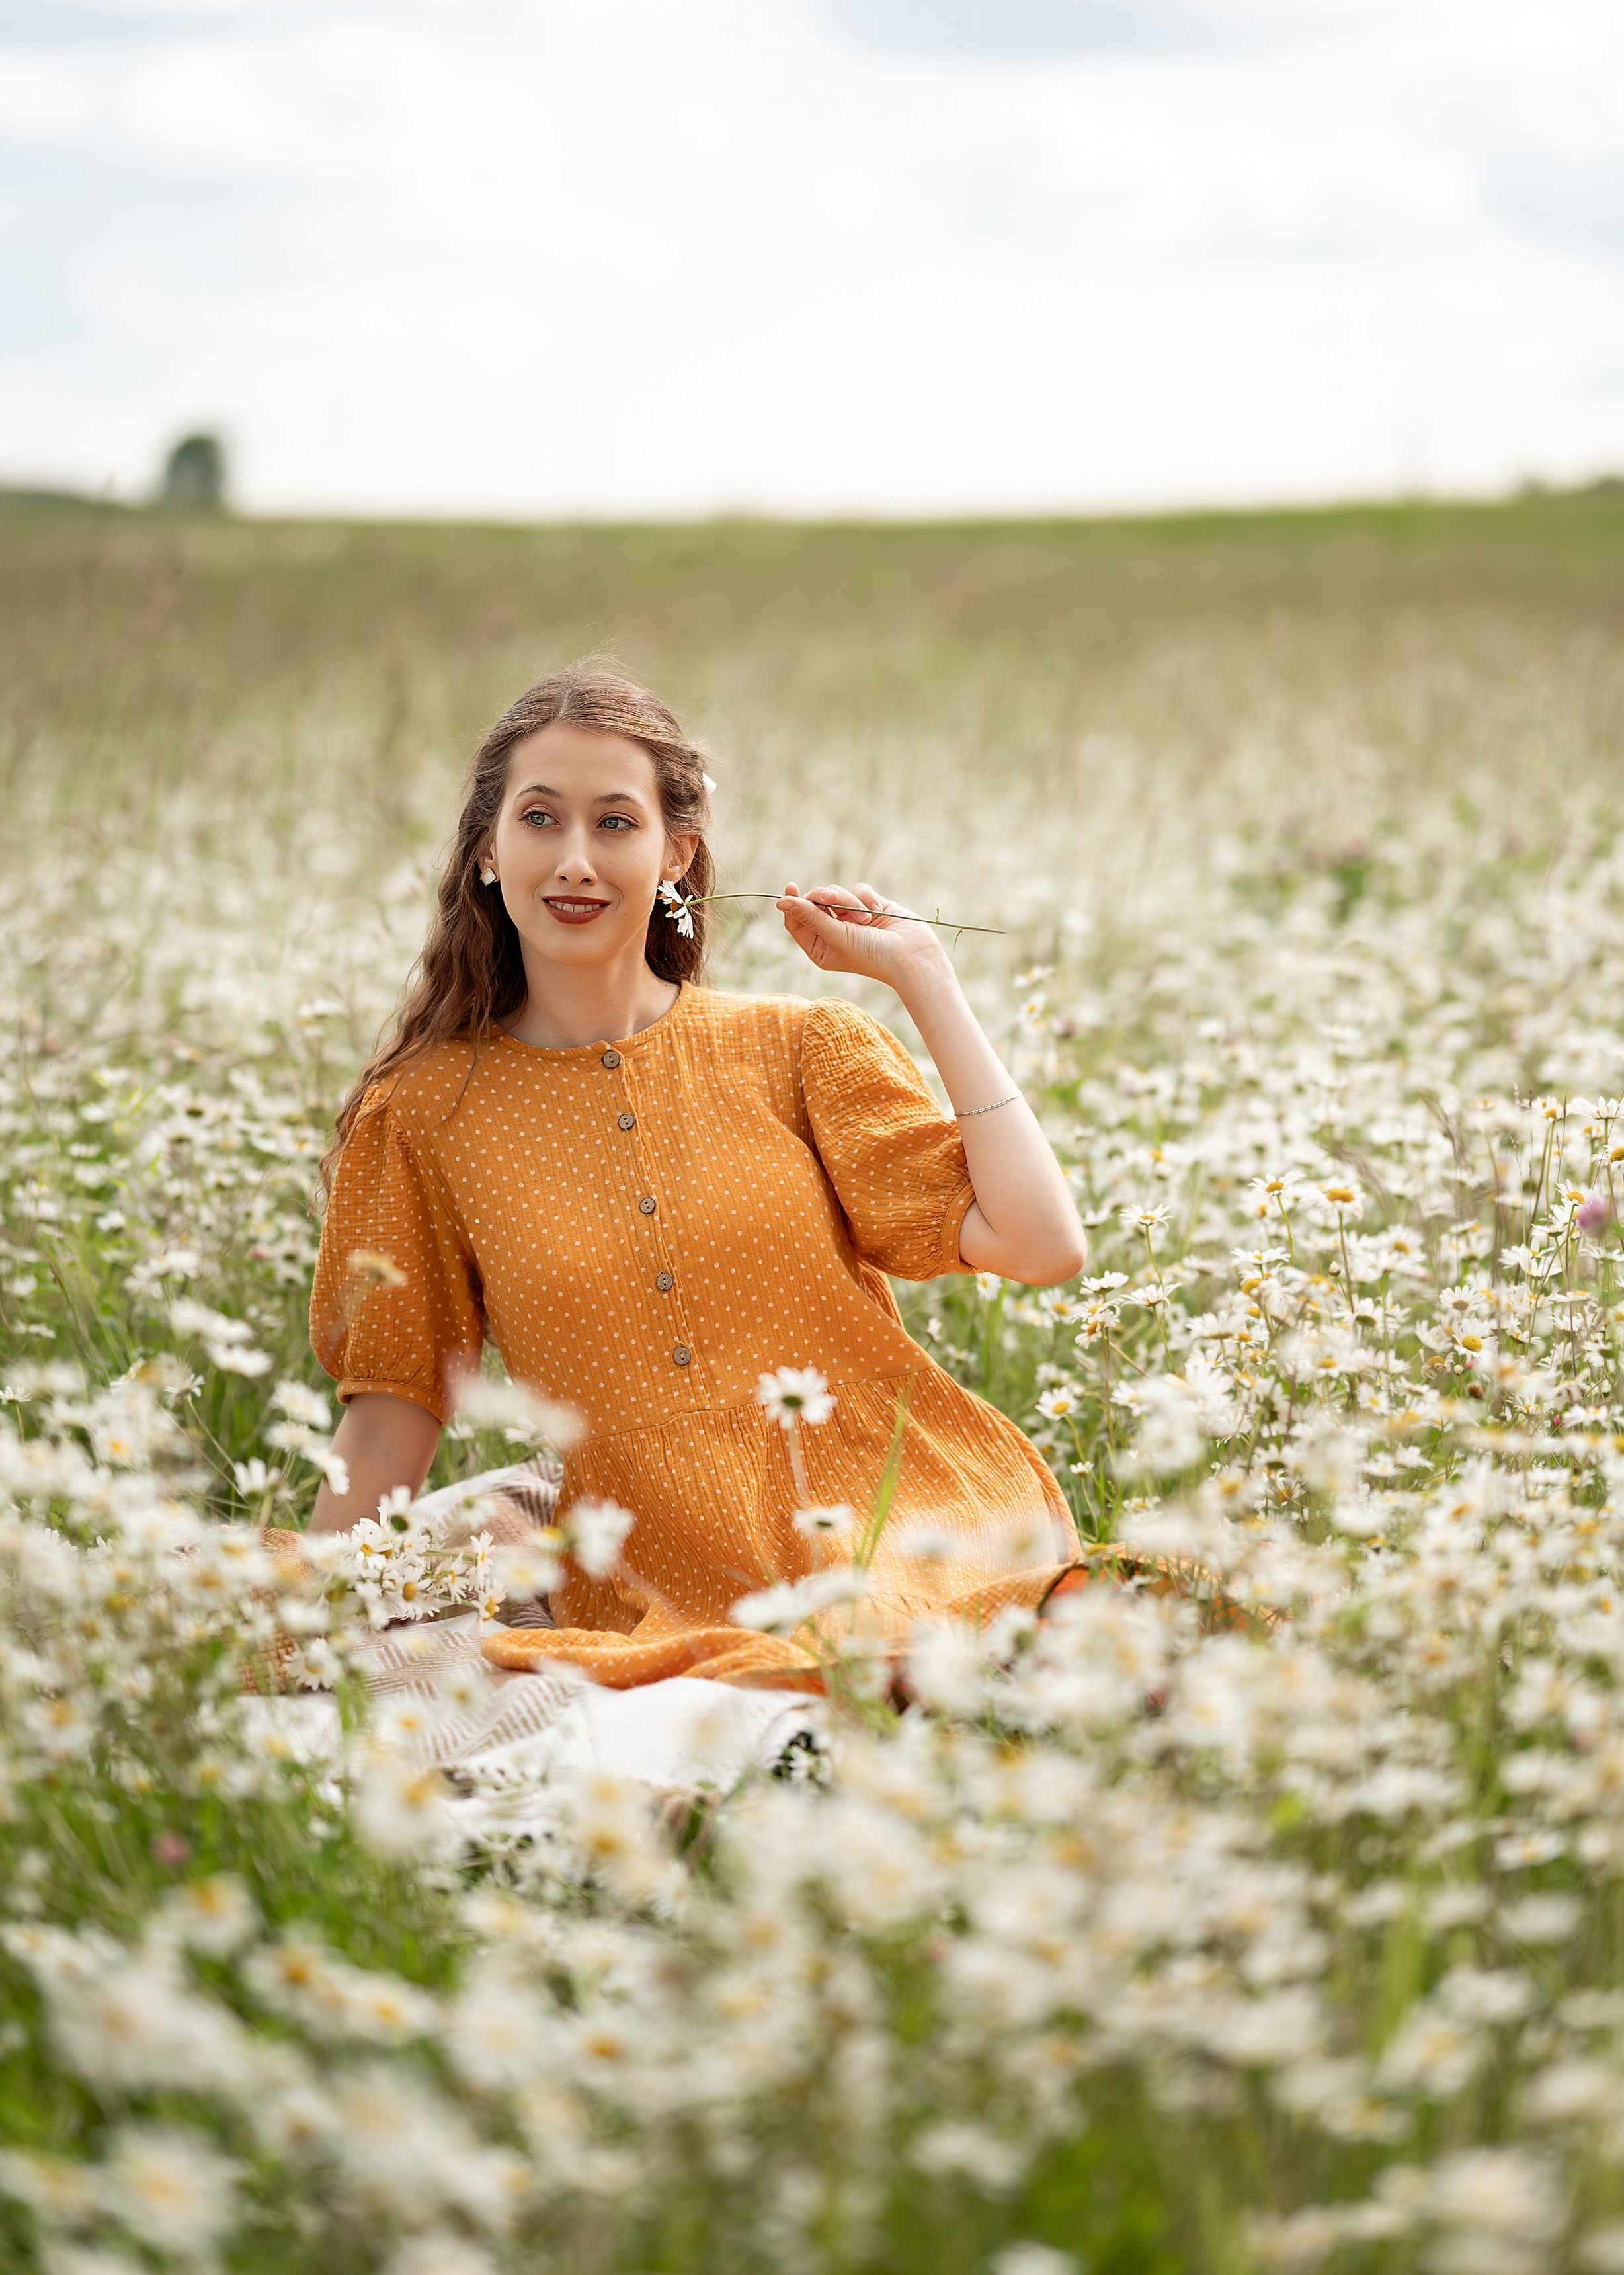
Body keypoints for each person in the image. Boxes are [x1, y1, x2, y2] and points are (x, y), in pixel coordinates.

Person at [308, 667, 1089, 1690]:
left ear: (676, 851)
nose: (575, 860)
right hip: (659, 1570)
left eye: (615, 822)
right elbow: (391, 1409)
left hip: (911, 1511)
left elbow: (1042, 1245)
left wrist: (925, 978)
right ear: (488, 852)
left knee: (961, 1661)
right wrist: (305, 1620)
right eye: (540, 819)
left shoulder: (800, 1047)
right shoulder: (422, 1114)